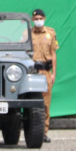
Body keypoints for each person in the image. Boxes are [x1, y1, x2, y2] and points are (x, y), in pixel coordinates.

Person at [31, 8, 59, 143]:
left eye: (40, 18)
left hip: (46, 72)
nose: (38, 21)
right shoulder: (27, 34)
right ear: (32, 20)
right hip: (32, 73)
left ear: (44, 18)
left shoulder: (50, 33)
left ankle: (44, 132)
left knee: (46, 104)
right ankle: (30, 131)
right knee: (31, 103)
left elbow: (53, 54)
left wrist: (54, 73)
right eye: (35, 19)